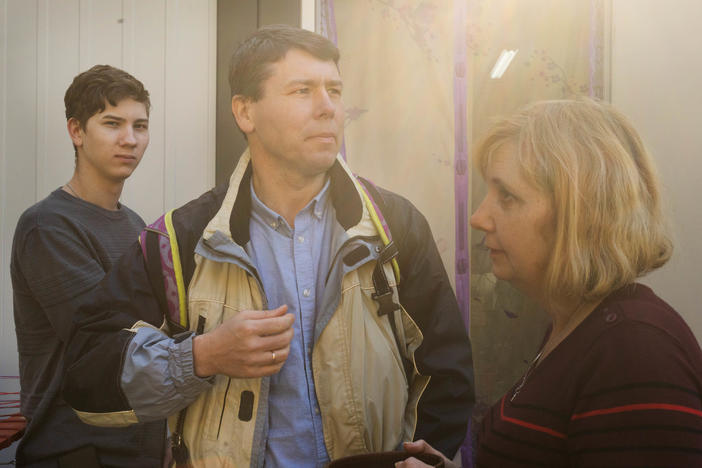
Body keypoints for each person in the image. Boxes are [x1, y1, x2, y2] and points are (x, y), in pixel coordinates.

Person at [61, 25, 475, 467]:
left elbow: (447, 372)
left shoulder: (393, 226)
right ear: (245, 112)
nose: (328, 108)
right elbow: (87, 377)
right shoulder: (178, 241)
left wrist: (426, 457)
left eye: (334, 90)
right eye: (302, 90)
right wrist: (201, 356)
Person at [397, 98, 702, 467]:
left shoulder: (633, 349)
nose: (478, 217)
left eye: (506, 196)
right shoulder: (577, 326)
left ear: (580, 211)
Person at [10, 65, 166, 466]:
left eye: (140, 125)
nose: (129, 139)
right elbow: (108, 346)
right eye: (112, 123)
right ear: (76, 131)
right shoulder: (48, 226)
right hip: (75, 453)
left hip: (136, 453)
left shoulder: (135, 225)